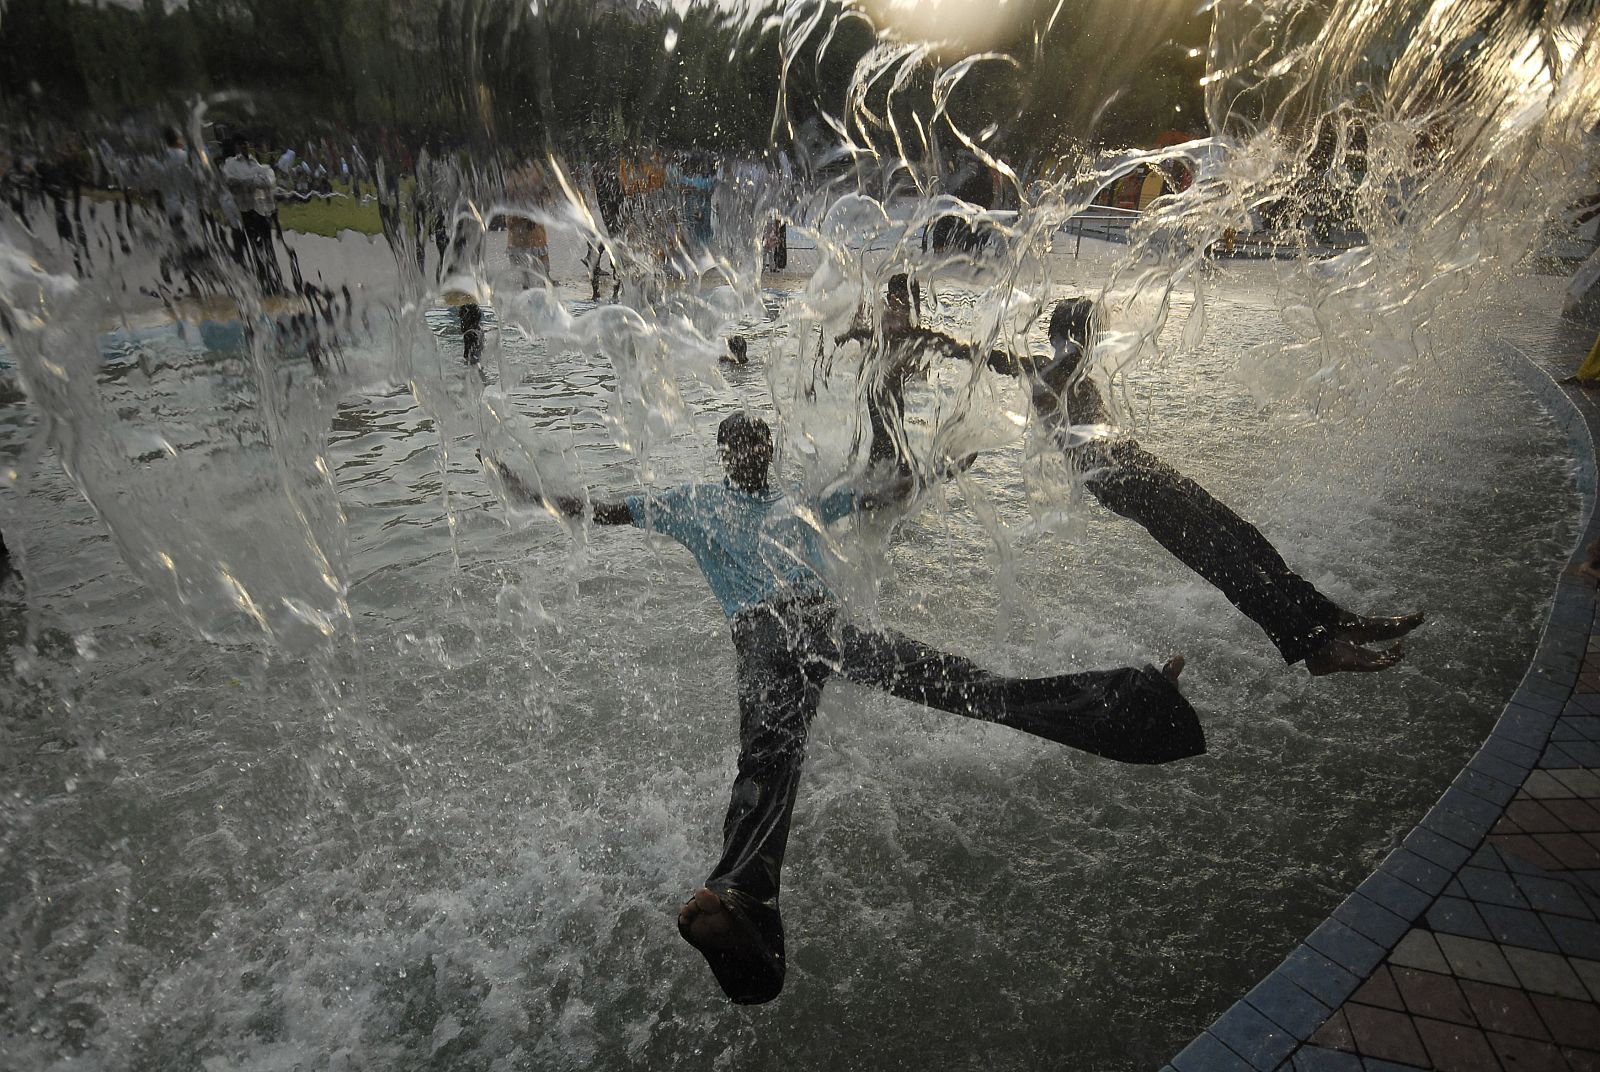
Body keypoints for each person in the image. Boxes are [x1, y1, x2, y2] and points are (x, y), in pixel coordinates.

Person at [484, 412, 1204, 1004]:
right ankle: (734, 898)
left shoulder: (798, 496)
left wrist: (938, 472)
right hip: (773, 634)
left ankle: (1133, 701)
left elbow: (877, 497)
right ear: (725, 455)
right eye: (740, 447)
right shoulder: (690, 503)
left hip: (816, 630)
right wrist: (533, 494)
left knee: (952, 688)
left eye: (758, 444)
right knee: (777, 756)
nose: (751, 456)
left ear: (765, 451)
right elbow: (605, 512)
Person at [978, 298, 1421, 675]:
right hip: (1122, 482)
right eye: (1092, 334)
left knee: (1244, 539)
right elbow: (1012, 365)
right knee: (1223, 558)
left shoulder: (1063, 369)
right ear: (1073, 335)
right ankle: (1315, 646)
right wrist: (942, 345)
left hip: (1140, 466)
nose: (1097, 343)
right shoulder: (1046, 370)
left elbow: (999, 359)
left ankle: (1334, 620)